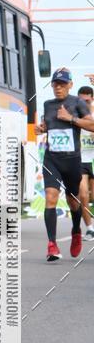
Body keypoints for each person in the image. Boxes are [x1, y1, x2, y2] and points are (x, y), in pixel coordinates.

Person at [34, 68, 94, 261]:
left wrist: (72, 119)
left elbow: (92, 125)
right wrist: (41, 128)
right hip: (52, 158)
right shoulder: (48, 104)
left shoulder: (77, 103)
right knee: (50, 197)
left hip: (72, 160)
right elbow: (48, 125)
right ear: (51, 85)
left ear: (70, 85)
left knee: (73, 201)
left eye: (62, 84)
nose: (58, 87)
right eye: (55, 84)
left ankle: (76, 230)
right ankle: (52, 245)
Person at [76, 84, 94, 239]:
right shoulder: (73, 115)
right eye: (81, 102)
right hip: (81, 160)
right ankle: (90, 228)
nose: (84, 105)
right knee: (83, 195)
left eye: (87, 102)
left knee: (93, 196)